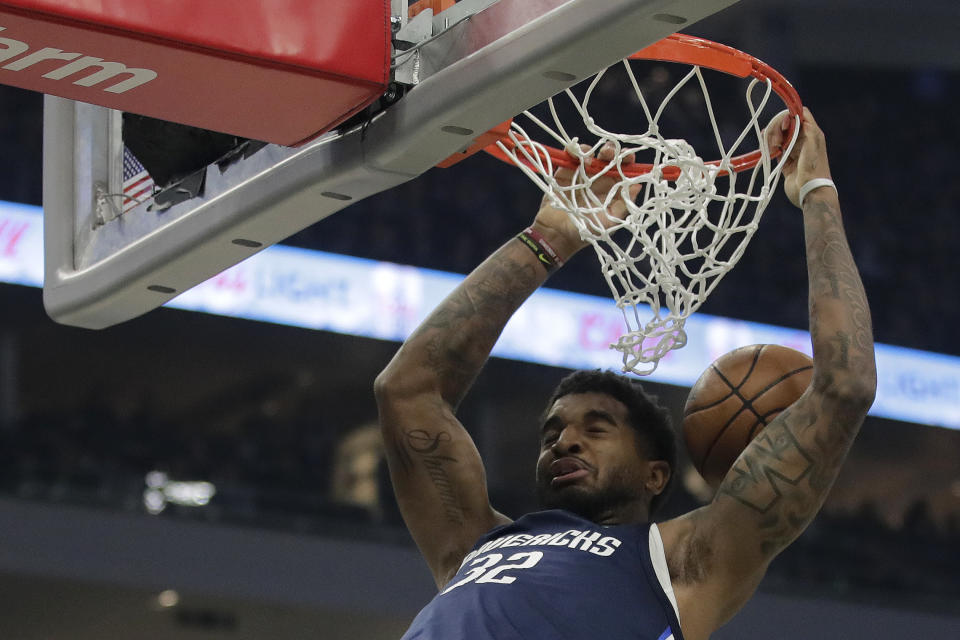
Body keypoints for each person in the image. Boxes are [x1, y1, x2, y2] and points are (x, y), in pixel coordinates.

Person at [374, 108, 877, 640]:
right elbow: (406, 390)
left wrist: (818, 193)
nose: (564, 441)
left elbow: (845, 386)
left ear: (654, 475)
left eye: (596, 429)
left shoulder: (684, 561)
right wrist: (550, 237)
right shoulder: (474, 543)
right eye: (552, 433)